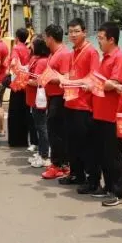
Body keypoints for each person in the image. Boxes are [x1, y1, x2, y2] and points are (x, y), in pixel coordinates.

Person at [61, 18, 101, 194]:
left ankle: (93, 180)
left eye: (77, 31)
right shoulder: (72, 52)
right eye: (70, 31)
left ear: (84, 32)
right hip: (70, 102)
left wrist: (72, 82)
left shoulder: (91, 52)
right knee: (72, 143)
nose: (73, 35)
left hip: (84, 106)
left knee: (87, 146)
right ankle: (76, 174)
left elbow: (93, 77)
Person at [94, 22, 122, 207]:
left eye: (101, 38)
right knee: (104, 152)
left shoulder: (119, 57)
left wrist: (96, 83)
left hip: (114, 114)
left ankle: (119, 192)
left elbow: (113, 83)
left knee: (115, 153)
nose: (98, 41)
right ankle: (108, 187)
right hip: (101, 112)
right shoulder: (105, 57)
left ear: (111, 39)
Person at [41, 25, 71, 181]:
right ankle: (60, 162)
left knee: (56, 132)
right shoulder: (55, 54)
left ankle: (59, 165)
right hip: (53, 97)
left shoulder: (64, 54)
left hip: (60, 97)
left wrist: (46, 78)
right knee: (55, 131)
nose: (45, 40)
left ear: (50, 37)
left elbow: (64, 78)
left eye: (46, 37)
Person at [27, 38, 51, 169]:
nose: (30, 46)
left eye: (33, 44)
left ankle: (44, 155)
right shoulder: (37, 59)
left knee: (41, 127)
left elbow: (38, 81)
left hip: (39, 99)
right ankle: (41, 152)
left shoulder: (41, 61)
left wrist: (26, 79)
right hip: (35, 99)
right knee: (39, 126)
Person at [7, 28, 32, 147]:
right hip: (26, 83)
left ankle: (16, 140)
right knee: (24, 111)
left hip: (17, 83)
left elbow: (13, 63)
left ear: (17, 37)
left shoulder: (16, 48)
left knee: (15, 112)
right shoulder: (28, 49)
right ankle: (24, 139)